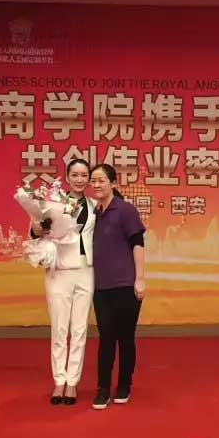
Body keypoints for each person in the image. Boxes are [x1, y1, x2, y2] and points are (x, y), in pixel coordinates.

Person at [31, 159, 95, 405]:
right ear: (67, 177)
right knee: (59, 328)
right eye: (75, 175)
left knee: (79, 329)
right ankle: (59, 380)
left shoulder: (95, 206)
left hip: (86, 270)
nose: (80, 179)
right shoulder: (54, 202)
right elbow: (36, 229)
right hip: (58, 270)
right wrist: (37, 227)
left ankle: (72, 382)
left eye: (84, 175)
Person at [89, 164, 146, 410]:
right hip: (101, 288)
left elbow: (138, 243)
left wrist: (140, 278)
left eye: (101, 180)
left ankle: (124, 384)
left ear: (113, 183)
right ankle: (103, 388)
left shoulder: (125, 210)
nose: (96, 185)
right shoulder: (94, 213)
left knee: (125, 338)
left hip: (125, 285)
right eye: (93, 180)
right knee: (106, 339)